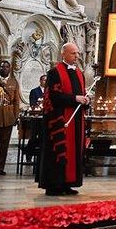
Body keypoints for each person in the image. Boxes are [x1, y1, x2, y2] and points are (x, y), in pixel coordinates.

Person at [38, 43, 89, 196]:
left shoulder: (80, 74)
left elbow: (82, 95)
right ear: (64, 54)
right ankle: (54, 185)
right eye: (74, 53)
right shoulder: (54, 73)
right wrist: (75, 98)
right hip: (59, 120)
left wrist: (86, 101)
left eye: (78, 54)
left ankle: (68, 183)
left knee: (73, 152)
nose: (77, 57)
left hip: (76, 120)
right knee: (59, 151)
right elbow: (53, 97)